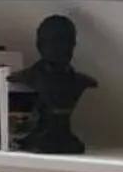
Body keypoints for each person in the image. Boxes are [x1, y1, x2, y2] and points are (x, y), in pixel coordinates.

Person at [13, 14, 94, 154]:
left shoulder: (81, 81)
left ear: (74, 44)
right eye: (55, 41)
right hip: (39, 139)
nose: (63, 47)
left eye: (67, 41)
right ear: (40, 45)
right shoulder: (27, 78)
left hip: (66, 141)